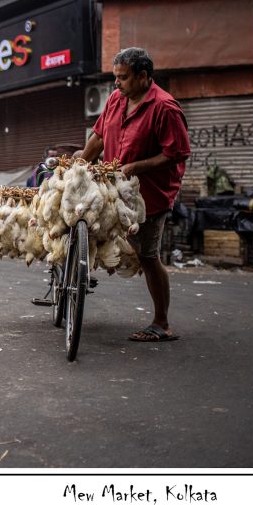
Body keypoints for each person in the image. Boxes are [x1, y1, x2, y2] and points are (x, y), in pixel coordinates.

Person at [78, 47, 190, 343]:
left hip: (150, 195)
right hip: (115, 189)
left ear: (143, 76)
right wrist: (78, 166)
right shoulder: (117, 99)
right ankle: (77, 277)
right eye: (115, 77)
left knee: (148, 256)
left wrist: (137, 166)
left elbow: (176, 154)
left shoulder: (165, 107)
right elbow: (99, 136)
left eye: (123, 77)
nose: (117, 83)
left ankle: (161, 323)